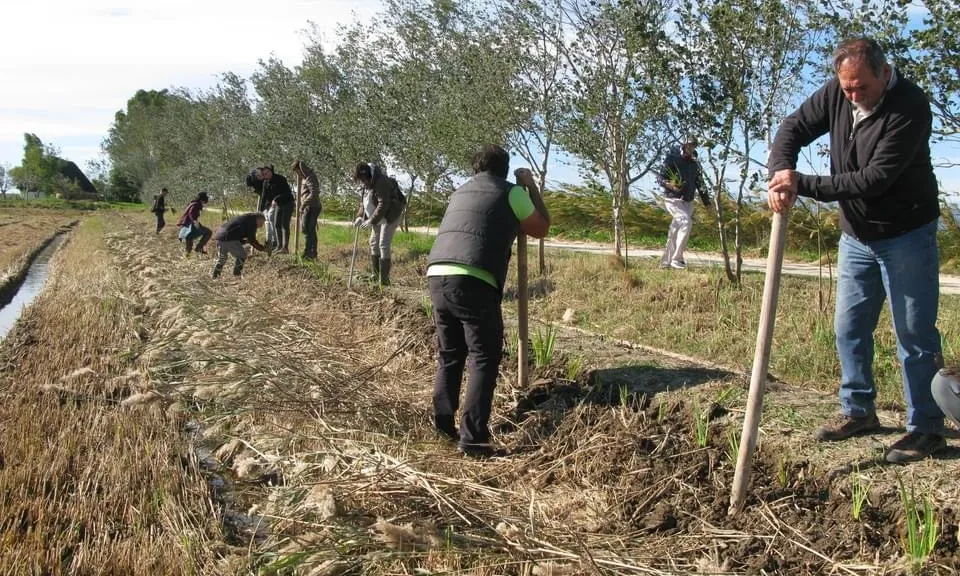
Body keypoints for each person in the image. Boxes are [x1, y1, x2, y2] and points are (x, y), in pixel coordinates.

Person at [767, 38, 945, 464]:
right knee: (849, 327)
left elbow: (873, 180)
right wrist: (779, 171)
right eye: (846, 87)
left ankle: (925, 428)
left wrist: (802, 184)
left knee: (914, 335)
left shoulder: (910, 106)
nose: (851, 96)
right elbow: (793, 127)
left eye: (860, 87)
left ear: (884, 74)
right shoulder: (838, 91)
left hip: (907, 234)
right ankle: (858, 410)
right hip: (857, 236)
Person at [426, 144, 551, 458]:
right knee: (484, 356)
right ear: (505, 169)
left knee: (451, 352)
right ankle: (474, 440)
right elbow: (541, 228)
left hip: (437, 274)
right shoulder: (511, 192)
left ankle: (443, 425)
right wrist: (531, 186)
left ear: (475, 168)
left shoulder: (460, 191)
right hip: (473, 277)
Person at [353, 163, 406, 286]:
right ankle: (375, 275)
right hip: (377, 217)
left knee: (383, 243)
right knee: (373, 242)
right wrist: (360, 216)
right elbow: (364, 203)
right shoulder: (365, 184)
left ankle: (384, 281)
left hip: (390, 215)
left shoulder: (381, 182)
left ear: (367, 175)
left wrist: (371, 220)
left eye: (363, 180)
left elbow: (383, 204)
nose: (362, 182)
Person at [657, 138, 704, 270]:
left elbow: (700, 183)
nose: (691, 147)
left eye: (694, 145)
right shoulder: (672, 157)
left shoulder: (694, 162)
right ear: (684, 144)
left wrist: (707, 203)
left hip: (688, 201)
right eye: (689, 144)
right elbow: (660, 177)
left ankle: (665, 263)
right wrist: (670, 185)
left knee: (674, 231)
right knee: (685, 222)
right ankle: (677, 259)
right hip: (673, 199)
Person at [212, 212, 268, 278]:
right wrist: (262, 249)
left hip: (220, 236)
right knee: (242, 255)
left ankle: (215, 276)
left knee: (222, 259)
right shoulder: (252, 222)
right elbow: (252, 241)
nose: (261, 226)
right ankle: (237, 275)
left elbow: (237, 232)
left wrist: (244, 241)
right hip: (228, 238)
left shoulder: (245, 218)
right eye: (261, 223)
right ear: (258, 219)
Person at [262, 165, 295, 254]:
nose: (266, 174)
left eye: (267, 172)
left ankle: (285, 248)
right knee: (277, 224)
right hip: (279, 204)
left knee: (284, 225)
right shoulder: (266, 183)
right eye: (264, 174)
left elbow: (286, 192)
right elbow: (264, 196)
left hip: (288, 203)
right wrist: (261, 209)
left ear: (271, 171)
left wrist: (276, 199)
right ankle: (279, 246)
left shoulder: (280, 179)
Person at [292, 160, 322, 260]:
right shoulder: (305, 178)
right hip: (308, 207)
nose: (298, 174)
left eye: (297, 172)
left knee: (309, 230)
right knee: (306, 229)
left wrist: (303, 205)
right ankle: (308, 252)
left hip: (312, 207)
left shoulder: (310, 177)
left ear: (301, 169)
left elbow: (314, 193)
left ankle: (311, 253)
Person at [245, 167, 278, 249]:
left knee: (271, 221)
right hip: (266, 203)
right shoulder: (258, 181)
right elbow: (248, 183)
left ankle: (275, 242)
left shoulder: (268, 180)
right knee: (267, 221)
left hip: (273, 202)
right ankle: (268, 241)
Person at [176, 192, 212, 257]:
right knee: (208, 232)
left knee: (189, 238)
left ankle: (187, 255)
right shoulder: (196, 204)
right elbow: (191, 213)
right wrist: (195, 222)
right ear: (202, 200)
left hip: (186, 225)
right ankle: (198, 248)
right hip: (190, 225)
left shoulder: (192, 203)